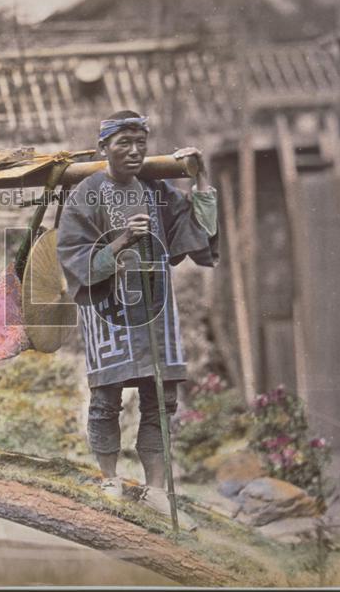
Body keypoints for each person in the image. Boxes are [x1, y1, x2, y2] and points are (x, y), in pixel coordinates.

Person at [56, 110, 219, 528]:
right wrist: (125, 238)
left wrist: (200, 179)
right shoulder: (85, 194)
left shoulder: (155, 189)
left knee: (160, 401)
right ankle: (110, 480)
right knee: (107, 399)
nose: (133, 151)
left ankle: (157, 489)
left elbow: (196, 231)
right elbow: (73, 256)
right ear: (103, 149)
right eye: (122, 143)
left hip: (156, 309)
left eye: (140, 143)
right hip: (109, 311)